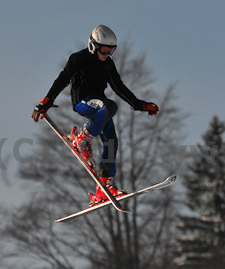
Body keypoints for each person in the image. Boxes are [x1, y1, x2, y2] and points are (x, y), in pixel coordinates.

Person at [31, 24, 159, 203]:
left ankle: (103, 189)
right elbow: (62, 80)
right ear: (93, 45)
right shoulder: (79, 59)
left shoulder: (108, 64)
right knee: (109, 107)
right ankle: (81, 139)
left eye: (111, 50)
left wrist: (141, 105)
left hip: (100, 104)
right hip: (83, 102)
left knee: (112, 140)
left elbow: (119, 87)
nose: (107, 54)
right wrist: (46, 101)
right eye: (105, 49)